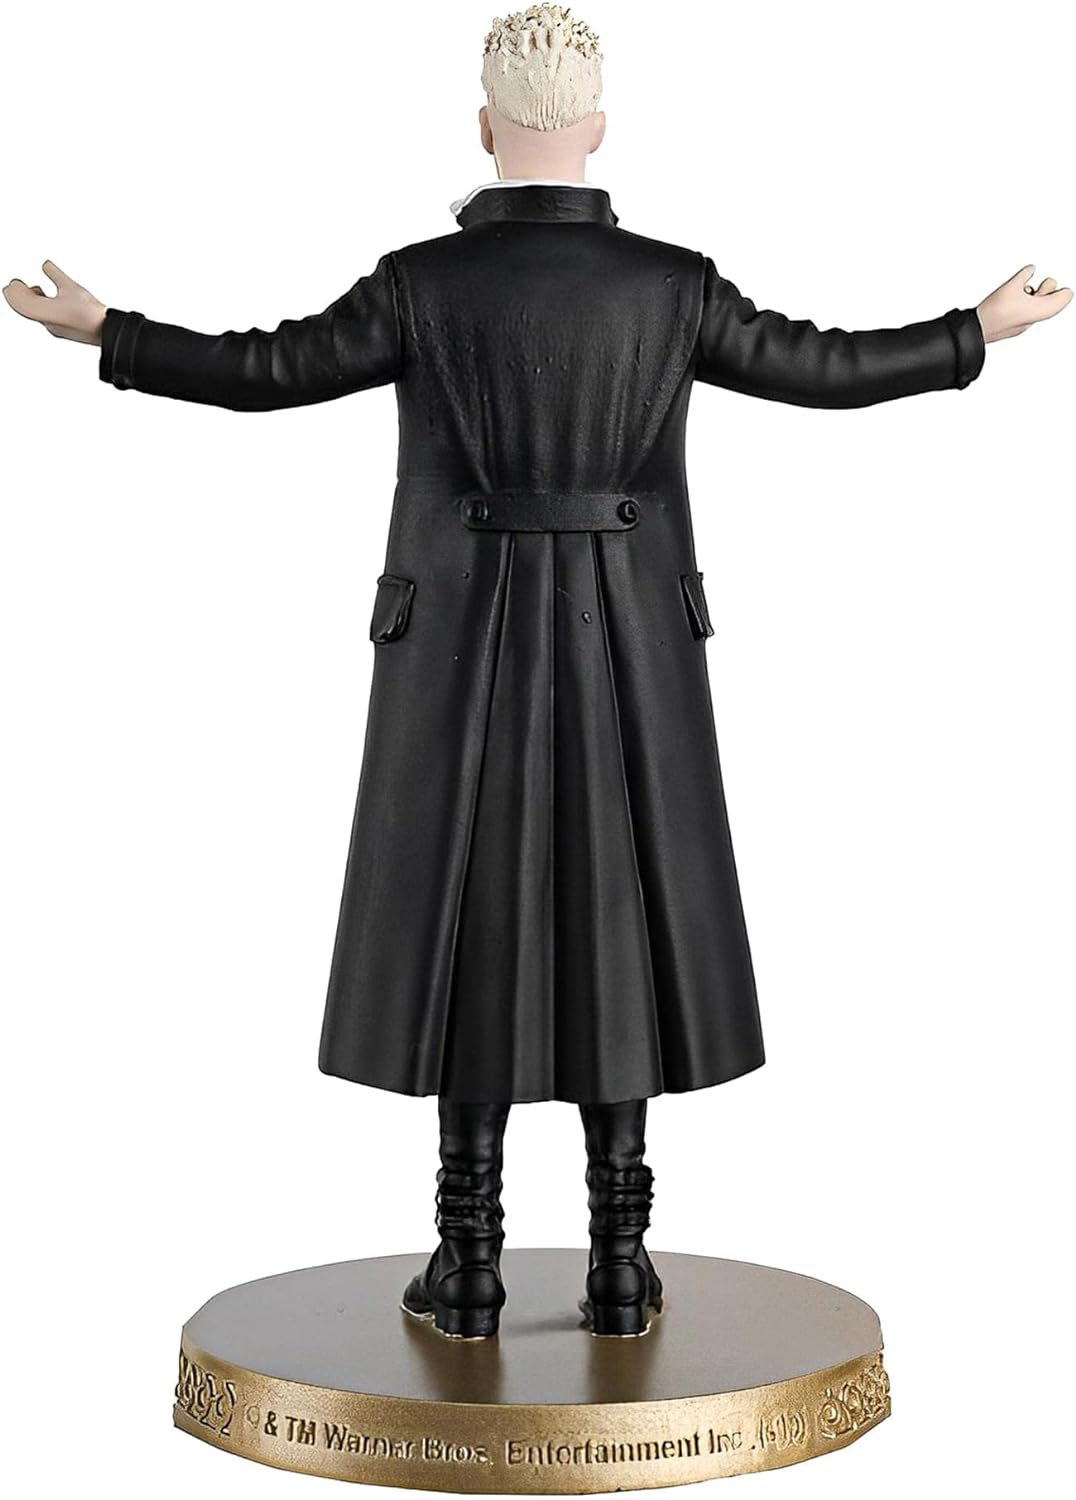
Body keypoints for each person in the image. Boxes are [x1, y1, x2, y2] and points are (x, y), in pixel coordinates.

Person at [5, 5, 1069, 1341]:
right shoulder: (671, 284)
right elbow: (826, 367)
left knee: (469, 916)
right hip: (631, 642)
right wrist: (975, 330)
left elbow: (265, 370)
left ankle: (469, 1260)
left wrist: (107, 331)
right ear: (601, 129)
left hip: (461, 646)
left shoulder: (422, 282)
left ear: (483, 127)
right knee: (623, 915)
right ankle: (622, 1261)